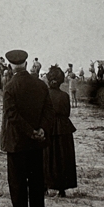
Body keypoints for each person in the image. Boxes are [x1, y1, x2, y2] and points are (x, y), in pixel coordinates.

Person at [0, 49, 54, 207]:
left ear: (10, 66)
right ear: (27, 64)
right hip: (37, 142)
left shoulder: (9, 87)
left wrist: (30, 131)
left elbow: (12, 116)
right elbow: (48, 111)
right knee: (37, 180)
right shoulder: (41, 85)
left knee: (17, 181)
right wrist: (40, 130)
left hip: (17, 142)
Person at [43, 66, 78, 197]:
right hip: (63, 128)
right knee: (63, 157)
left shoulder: (44, 95)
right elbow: (67, 112)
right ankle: (62, 188)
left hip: (49, 127)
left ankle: (45, 185)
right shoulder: (64, 95)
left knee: (47, 157)